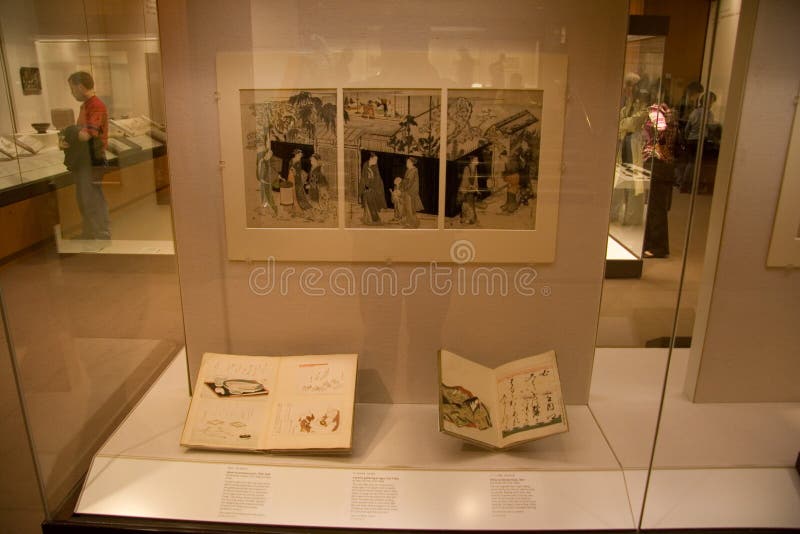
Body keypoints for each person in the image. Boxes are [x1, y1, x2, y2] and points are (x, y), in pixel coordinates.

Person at [63, 71, 110, 240]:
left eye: (72, 88)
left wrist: (68, 131)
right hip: (84, 160)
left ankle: (101, 233)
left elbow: (86, 135)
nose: (71, 92)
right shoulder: (86, 105)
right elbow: (80, 134)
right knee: (84, 198)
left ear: (81, 86)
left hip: (92, 159)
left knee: (92, 198)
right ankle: (91, 232)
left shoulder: (96, 105)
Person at [642, 102, 678, 258]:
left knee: (655, 207)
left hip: (657, 163)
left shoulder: (657, 113)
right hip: (662, 164)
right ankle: (652, 244)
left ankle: (657, 247)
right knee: (655, 206)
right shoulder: (668, 116)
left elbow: (659, 134)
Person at [359, 152, 386, 225]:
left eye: (376, 160)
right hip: (366, 187)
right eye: (375, 160)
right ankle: (368, 219)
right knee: (367, 200)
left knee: (372, 202)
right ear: (371, 159)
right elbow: (364, 177)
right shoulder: (366, 165)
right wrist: (366, 185)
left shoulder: (375, 167)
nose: (376, 161)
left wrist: (372, 186)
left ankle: (375, 219)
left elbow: (377, 178)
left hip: (375, 187)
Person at [256, 140, 280, 215]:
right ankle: (266, 208)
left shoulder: (267, 163)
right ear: (265, 154)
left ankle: (274, 209)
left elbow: (270, 172)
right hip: (263, 181)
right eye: (268, 155)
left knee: (269, 196)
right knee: (263, 196)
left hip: (266, 182)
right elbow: (259, 171)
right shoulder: (261, 161)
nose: (268, 156)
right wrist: (260, 179)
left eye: (270, 155)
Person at [400, 157, 424, 228]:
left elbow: (409, 182)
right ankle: (409, 223)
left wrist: (403, 187)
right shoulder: (408, 170)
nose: (406, 164)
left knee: (410, 208)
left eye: (408, 162)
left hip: (411, 192)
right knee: (408, 208)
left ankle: (412, 224)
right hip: (407, 191)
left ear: (411, 163)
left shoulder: (414, 170)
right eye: (406, 162)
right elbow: (405, 180)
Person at [307, 153, 330, 221]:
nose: (311, 162)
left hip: (319, 187)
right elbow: (312, 179)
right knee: (316, 202)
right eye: (311, 160)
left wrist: (310, 185)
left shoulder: (317, 169)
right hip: (317, 187)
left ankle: (319, 217)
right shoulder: (314, 168)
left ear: (317, 161)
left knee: (318, 201)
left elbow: (315, 180)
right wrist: (309, 183)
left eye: (312, 160)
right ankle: (317, 216)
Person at [459, 155, 480, 224]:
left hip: (471, 188)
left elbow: (476, 179)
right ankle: (466, 218)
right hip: (465, 188)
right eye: (476, 160)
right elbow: (465, 179)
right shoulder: (467, 168)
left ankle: (470, 218)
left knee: (470, 203)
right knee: (466, 203)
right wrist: (469, 187)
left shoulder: (475, 168)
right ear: (472, 160)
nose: (478, 161)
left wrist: (476, 188)